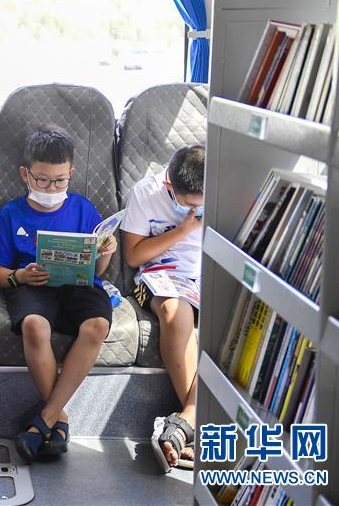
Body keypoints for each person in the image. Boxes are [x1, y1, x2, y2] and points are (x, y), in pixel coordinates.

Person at [0, 127, 117, 462]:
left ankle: (46, 419)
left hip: (79, 286)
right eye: (42, 180)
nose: (51, 188)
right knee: (34, 326)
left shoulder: (83, 209)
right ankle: (59, 419)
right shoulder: (11, 214)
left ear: (71, 173)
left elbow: (98, 272)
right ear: (25, 174)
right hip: (33, 285)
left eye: (59, 181)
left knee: (97, 326)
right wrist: (20, 276)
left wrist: (107, 252)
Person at [120, 145, 204, 472]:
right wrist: (182, 231)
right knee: (174, 312)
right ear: (169, 185)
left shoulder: (224, 192)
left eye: (200, 205)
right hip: (161, 276)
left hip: (207, 274)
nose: (195, 210)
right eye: (188, 205)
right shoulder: (146, 192)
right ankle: (194, 428)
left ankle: (188, 421)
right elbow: (133, 256)